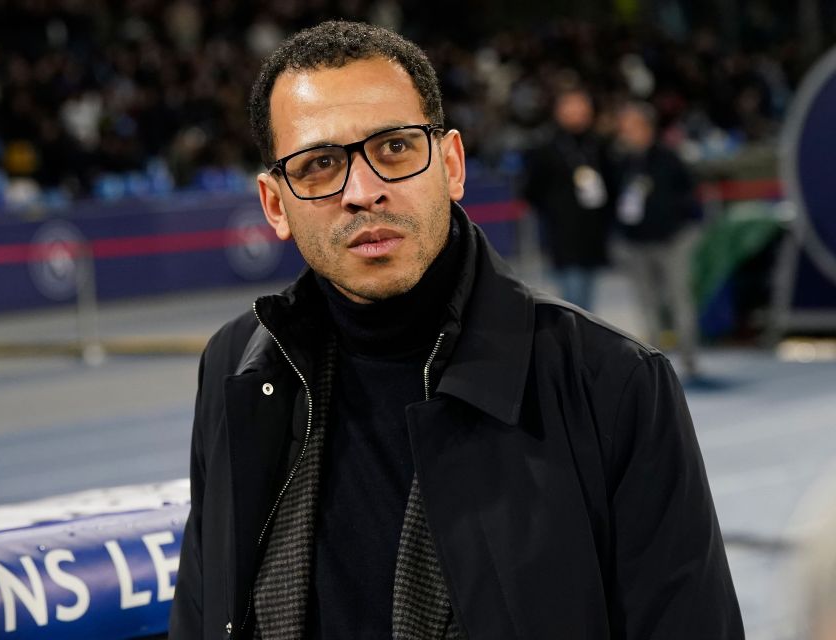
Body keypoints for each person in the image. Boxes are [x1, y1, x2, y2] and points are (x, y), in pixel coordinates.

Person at [170, 21, 742, 639]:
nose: (364, 192)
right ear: (275, 204)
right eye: (319, 164)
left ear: (451, 163)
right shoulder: (238, 365)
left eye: (394, 148)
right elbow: (204, 610)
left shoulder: (614, 383)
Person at [613, 101, 702, 378]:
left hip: (672, 242)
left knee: (679, 300)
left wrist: (678, 225)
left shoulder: (669, 157)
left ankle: (689, 359)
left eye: (631, 126)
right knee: (647, 304)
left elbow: (689, 194)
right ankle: (655, 368)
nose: (626, 132)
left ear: (645, 127)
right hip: (637, 244)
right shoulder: (621, 161)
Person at [522, 85, 614, 311]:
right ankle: (575, 342)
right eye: (571, 107)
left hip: (593, 232)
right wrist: (556, 210)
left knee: (589, 295)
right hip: (563, 233)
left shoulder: (598, 145)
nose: (577, 113)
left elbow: (612, 183)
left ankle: (583, 341)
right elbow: (532, 189)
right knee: (573, 297)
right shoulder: (547, 147)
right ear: (558, 110)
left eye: (582, 107)